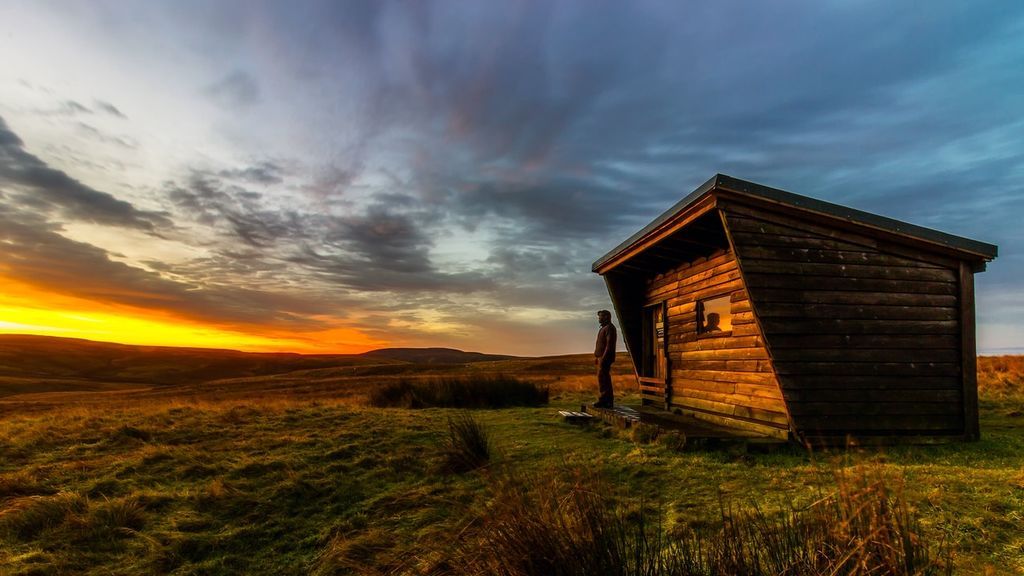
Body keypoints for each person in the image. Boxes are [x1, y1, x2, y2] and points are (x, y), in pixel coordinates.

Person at [593, 309, 617, 408]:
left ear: (606, 317)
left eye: (601, 316)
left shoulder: (609, 328)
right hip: (601, 357)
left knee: (604, 379)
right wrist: (597, 356)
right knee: (602, 378)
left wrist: (603, 358)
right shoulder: (604, 328)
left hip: (605, 358)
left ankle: (605, 400)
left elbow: (609, 345)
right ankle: (606, 400)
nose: (599, 318)